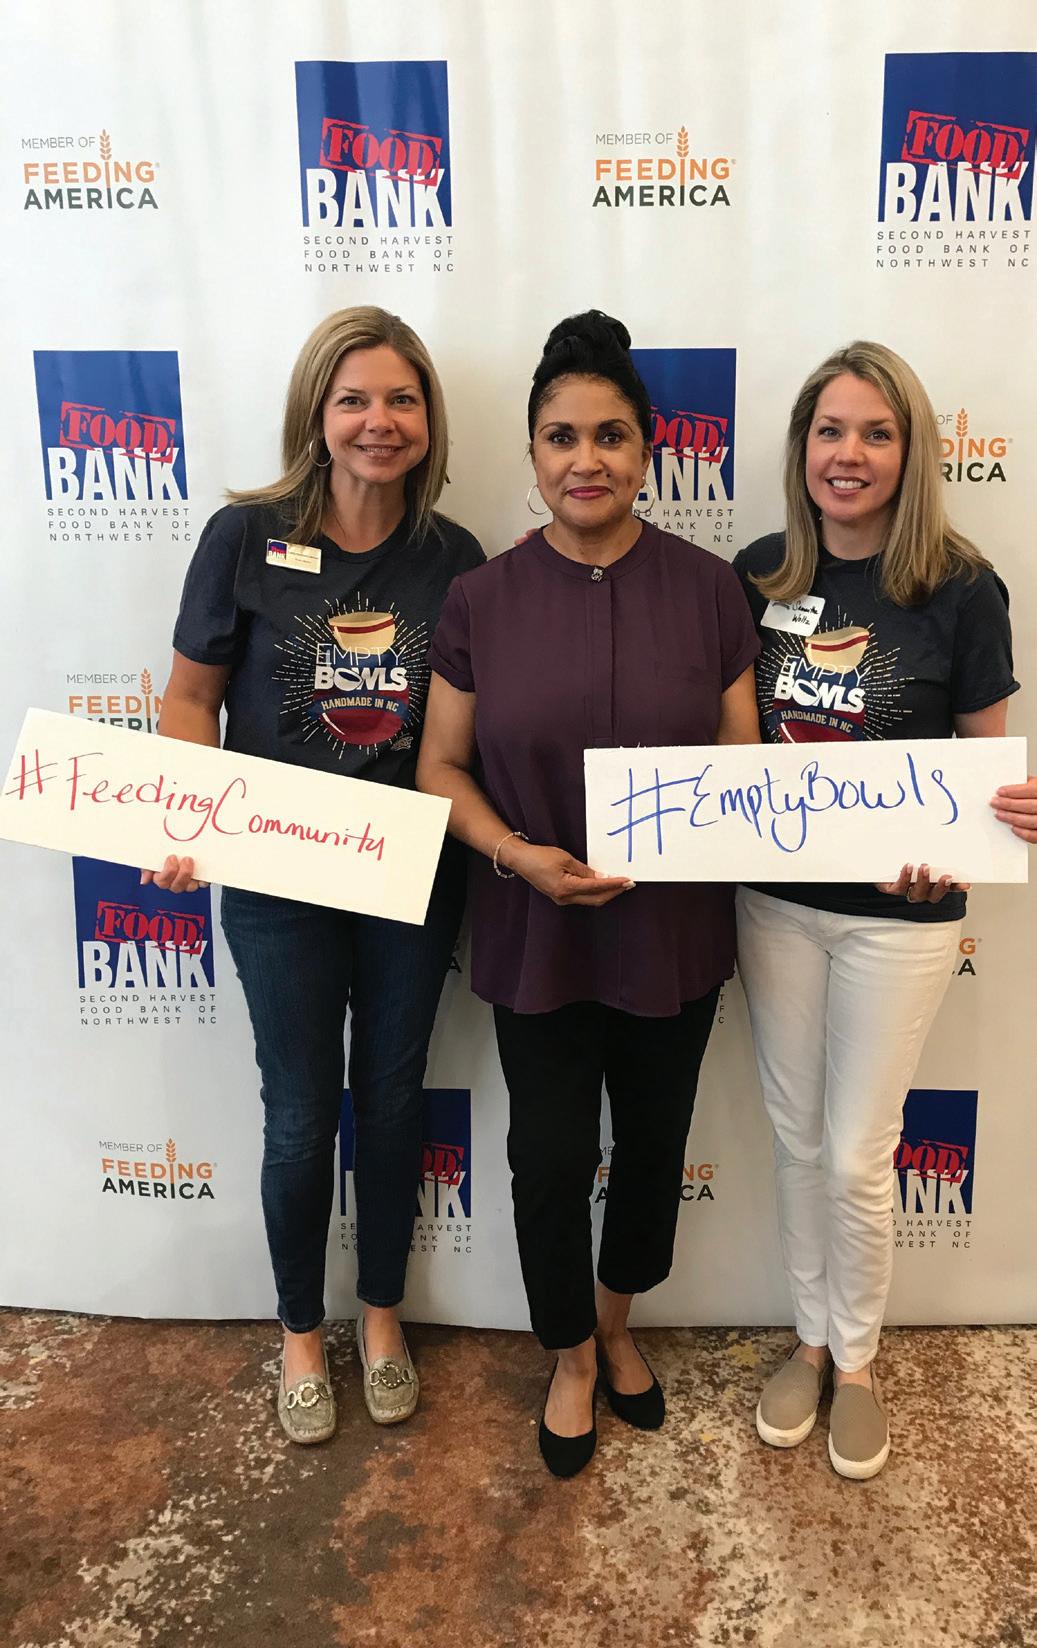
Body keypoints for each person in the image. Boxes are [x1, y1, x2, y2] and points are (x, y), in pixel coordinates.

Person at [416, 310, 761, 1476]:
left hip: (673, 933)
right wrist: (515, 854)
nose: (585, 459)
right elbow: (440, 767)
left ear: (647, 449)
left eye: (609, 435)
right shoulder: (481, 598)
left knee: (653, 1147)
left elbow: (741, 765)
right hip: (534, 932)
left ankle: (617, 1326)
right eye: (560, 436)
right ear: (530, 452)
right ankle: (567, 1351)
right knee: (550, 1160)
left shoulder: (711, 592)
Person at [143, 306, 484, 1443]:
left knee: (389, 1105)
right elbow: (190, 700)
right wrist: (182, 817)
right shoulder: (243, 537)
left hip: (408, 882)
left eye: (401, 399)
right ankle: (299, 1332)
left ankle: (380, 1318)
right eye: (354, 400)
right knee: (297, 1117)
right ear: (316, 415)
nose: (379, 422)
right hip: (276, 883)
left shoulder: (456, 559)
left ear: (428, 419)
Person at [733, 340, 1037, 1481]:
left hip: (899, 923)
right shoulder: (757, 577)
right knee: (795, 1136)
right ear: (800, 447)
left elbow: (982, 770)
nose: (847, 453)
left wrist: (995, 820)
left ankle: (855, 1362)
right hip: (771, 907)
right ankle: (807, 1341)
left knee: (859, 1154)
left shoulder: (960, 587)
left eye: (874, 432)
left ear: (909, 452)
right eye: (829, 430)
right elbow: (726, 754)